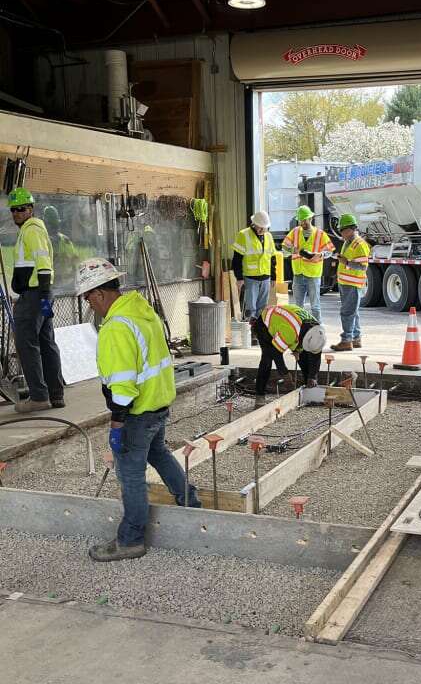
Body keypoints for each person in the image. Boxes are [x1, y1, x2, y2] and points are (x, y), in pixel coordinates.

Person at [75, 256, 202, 562]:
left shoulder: (115, 328)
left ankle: (131, 540)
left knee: (130, 474)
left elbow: (123, 388)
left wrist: (116, 425)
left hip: (136, 412)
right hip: (158, 406)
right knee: (158, 453)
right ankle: (191, 504)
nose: (89, 305)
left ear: (99, 294)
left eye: (88, 299)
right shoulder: (142, 312)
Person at [8, 187, 65, 413]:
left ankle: (39, 397)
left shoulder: (32, 230)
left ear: (31, 209)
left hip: (34, 294)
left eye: (21, 209)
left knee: (26, 343)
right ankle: (55, 394)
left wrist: (40, 295)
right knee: (46, 343)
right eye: (13, 210)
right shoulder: (33, 230)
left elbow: (43, 263)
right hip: (39, 294)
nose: (17, 213)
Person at [253, 303, 326, 408]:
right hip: (266, 323)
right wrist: (285, 373)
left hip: (288, 324)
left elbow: (315, 355)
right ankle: (260, 395)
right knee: (267, 359)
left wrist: (312, 376)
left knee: (304, 356)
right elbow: (276, 353)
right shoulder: (290, 332)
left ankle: (309, 392)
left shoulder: (317, 332)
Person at [281, 205, 334, 323]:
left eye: (305, 219)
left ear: (311, 219)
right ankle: (300, 329)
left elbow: (329, 251)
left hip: (313, 275)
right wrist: (292, 250)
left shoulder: (320, 234)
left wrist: (320, 255)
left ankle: (317, 328)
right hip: (298, 274)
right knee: (298, 307)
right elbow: (284, 246)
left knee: (315, 306)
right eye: (301, 220)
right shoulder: (294, 232)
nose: (302, 222)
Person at [231, 211, 275, 340]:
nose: (262, 229)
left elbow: (272, 258)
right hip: (250, 278)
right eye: (260, 226)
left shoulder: (269, 236)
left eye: (264, 227)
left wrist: (274, 276)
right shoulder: (243, 235)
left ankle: (260, 332)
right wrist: (239, 278)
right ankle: (250, 333)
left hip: (265, 277)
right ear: (254, 224)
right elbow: (236, 259)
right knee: (251, 308)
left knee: (262, 308)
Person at [330, 213, 371, 352]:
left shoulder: (359, 244)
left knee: (347, 312)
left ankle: (346, 340)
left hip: (352, 284)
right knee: (353, 312)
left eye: (343, 230)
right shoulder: (348, 242)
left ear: (351, 229)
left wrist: (346, 262)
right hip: (346, 282)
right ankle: (356, 338)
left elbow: (362, 266)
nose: (341, 234)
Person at [43, 205, 79, 289]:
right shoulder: (65, 239)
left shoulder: (44, 240)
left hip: (56, 283)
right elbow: (75, 261)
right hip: (63, 283)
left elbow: (74, 261)